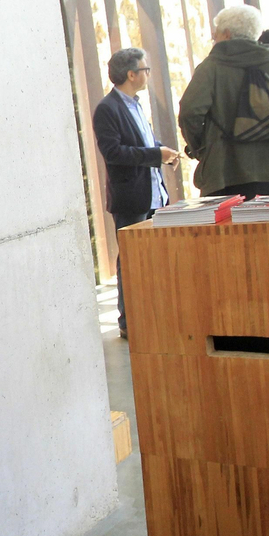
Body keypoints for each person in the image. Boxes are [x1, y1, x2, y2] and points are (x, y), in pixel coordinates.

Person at [92, 47, 178, 340]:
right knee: (130, 260)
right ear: (131, 74)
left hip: (154, 193)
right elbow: (113, 152)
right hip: (131, 197)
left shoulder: (137, 104)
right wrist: (156, 154)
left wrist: (162, 153)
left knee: (152, 258)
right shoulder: (108, 108)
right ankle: (128, 320)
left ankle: (153, 313)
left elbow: (143, 141)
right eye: (145, 70)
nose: (148, 75)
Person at [177, 5, 269, 200]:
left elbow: (190, 112)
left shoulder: (210, 68)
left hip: (226, 173)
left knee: (233, 231)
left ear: (227, 34)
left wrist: (200, 148)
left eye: (215, 35)